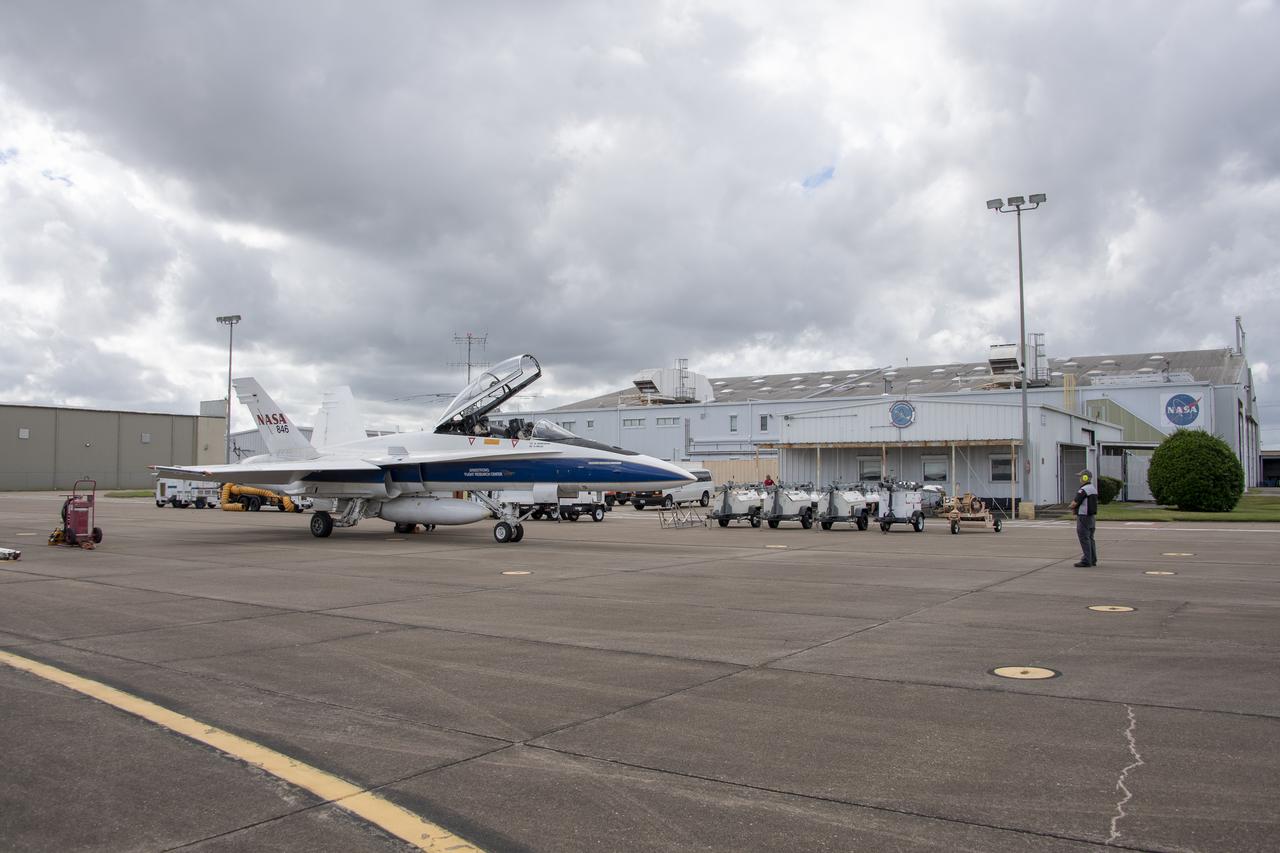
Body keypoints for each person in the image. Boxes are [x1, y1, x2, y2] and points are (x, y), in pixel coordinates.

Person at [1070, 469, 1099, 567]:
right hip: (1091, 517)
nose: (1080, 479)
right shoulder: (1093, 488)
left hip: (1083, 516)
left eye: (1081, 476)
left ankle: (1087, 560)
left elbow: (1075, 502)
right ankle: (1093, 559)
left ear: (1085, 477)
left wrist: (1071, 507)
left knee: (1084, 538)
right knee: (1090, 538)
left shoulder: (1083, 489)